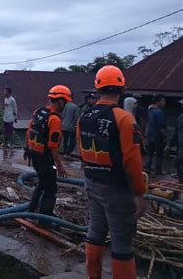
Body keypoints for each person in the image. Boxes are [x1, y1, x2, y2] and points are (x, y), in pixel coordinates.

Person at [77, 65, 146, 279]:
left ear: (97, 89)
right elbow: (132, 162)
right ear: (122, 88)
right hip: (117, 190)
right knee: (122, 242)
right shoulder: (124, 119)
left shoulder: (85, 117)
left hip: (93, 184)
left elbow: (82, 152)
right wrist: (139, 194)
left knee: (95, 233)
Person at [26, 85, 69, 221]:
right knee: (50, 190)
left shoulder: (38, 112)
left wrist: (27, 149)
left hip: (34, 154)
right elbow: (53, 146)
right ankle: (44, 221)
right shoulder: (54, 119)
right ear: (60, 101)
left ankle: (30, 211)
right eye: (65, 102)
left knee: (42, 183)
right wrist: (60, 166)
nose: (65, 105)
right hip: (45, 158)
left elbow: (29, 132)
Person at [145, 94, 167, 175]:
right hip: (158, 136)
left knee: (149, 152)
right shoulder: (159, 112)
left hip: (151, 134)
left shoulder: (150, 110)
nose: (164, 102)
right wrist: (164, 137)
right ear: (158, 102)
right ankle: (158, 170)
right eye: (163, 101)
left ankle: (147, 168)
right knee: (159, 153)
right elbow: (161, 127)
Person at [167, 99, 183, 183]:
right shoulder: (180, 118)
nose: (181, 106)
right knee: (180, 169)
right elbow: (175, 134)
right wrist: (169, 145)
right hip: (180, 148)